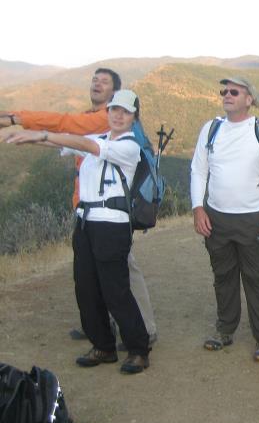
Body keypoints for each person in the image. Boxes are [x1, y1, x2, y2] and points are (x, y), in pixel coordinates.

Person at [0, 68, 157, 345]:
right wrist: (28, 136)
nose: (97, 83)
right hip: (89, 211)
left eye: (104, 81)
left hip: (115, 214)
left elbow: (66, 125)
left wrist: (21, 120)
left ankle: (142, 329)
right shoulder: (98, 123)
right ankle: (102, 328)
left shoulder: (103, 124)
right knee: (96, 274)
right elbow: (72, 141)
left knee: (121, 273)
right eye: (95, 79)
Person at [190, 77, 259, 362]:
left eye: (234, 92)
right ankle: (225, 329)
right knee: (223, 276)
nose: (227, 95)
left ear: (249, 99)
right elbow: (198, 171)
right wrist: (198, 207)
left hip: (254, 218)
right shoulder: (211, 129)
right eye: (224, 91)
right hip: (216, 217)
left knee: (258, 278)